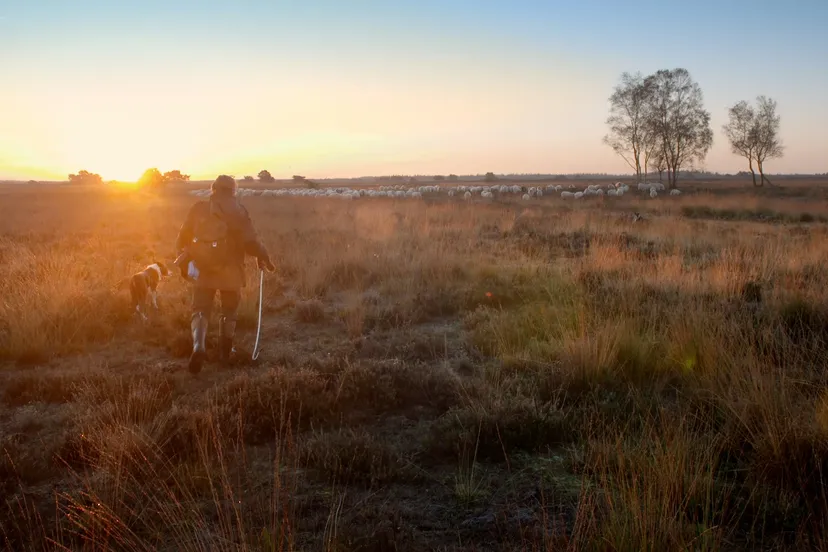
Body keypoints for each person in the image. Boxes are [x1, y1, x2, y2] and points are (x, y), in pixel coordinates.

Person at [174, 175, 275, 373]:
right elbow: (251, 242)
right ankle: (224, 355)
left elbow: (182, 237)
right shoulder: (238, 210)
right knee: (229, 312)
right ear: (233, 190)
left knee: (200, 309)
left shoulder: (198, 208)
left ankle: (198, 346)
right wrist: (263, 257)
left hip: (204, 267)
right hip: (231, 270)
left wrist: (186, 260)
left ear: (213, 189)